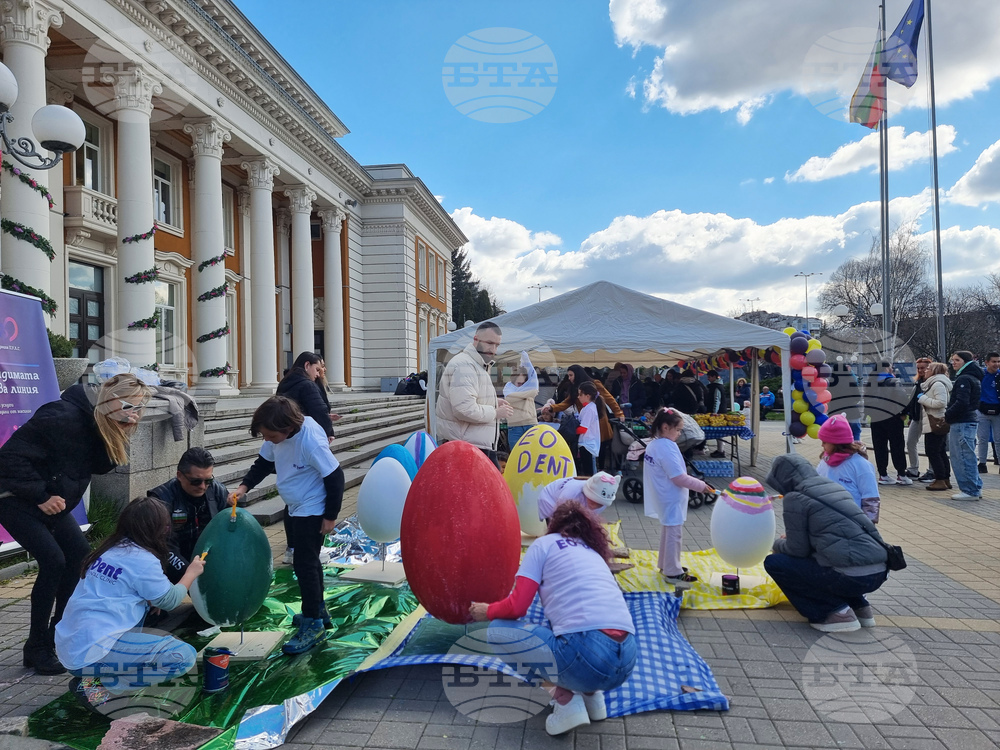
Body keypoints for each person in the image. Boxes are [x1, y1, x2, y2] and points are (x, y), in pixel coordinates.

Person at [0, 373, 151, 675]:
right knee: (54, 561)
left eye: (140, 408)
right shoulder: (62, 416)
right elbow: (7, 460)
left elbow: (96, 463)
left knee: (80, 558)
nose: (135, 414)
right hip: (15, 498)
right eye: (129, 406)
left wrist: (121, 429)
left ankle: (58, 635)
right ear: (110, 401)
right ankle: (37, 646)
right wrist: (41, 495)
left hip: (50, 502)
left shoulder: (98, 421)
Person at [468, 503, 637, 736]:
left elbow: (517, 606)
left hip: (586, 654)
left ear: (552, 525)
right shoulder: (592, 551)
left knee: (497, 632)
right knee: (563, 627)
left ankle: (564, 700)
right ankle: (592, 698)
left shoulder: (543, 545)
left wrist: (486, 611)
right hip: (627, 660)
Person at [54, 497, 204, 712]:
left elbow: (125, 589)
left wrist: (148, 598)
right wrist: (191, 573)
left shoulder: (110, 549)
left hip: (72, 644)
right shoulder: (142, 559)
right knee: (182, 657)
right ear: (157, 529)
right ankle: (102, 687)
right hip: (91, 652)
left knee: (147, 614)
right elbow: (170, 600)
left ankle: (94, 678)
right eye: (166, 526)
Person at [232, 396, 345, 652]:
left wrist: (330, 516)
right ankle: (318, 611)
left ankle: (313, 624)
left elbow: (335, 476)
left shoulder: (310, 441)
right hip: (295, 504)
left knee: (305, 564)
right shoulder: (277, 434)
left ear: (287, 429)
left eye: (270, 436)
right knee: (308, 561)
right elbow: (263, 463)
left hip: (313, 505)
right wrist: (243, 487)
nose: (267, 440)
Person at [763, 453, 890, 633]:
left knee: (776, 563)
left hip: (849, 577)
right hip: (878, 571)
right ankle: (860, 608)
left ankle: (833, 612)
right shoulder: (833, 487)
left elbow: (797, 550)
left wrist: (777, 545)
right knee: (829, 561)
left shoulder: (796, 497)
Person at [277, 352, 338, 564]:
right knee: (310, 495)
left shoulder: (285, 383)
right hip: (306, 442)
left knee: (292, 499)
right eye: (316, 370)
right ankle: (309, 549)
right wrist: (328, 431)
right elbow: (319, 410)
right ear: (306, 365)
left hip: (288, 442)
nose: (317, 374)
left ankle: (292, 547)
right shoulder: (307, 384)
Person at [642, 408, 713, 585]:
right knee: (674, 534)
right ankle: (673, 571)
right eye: (678, 429)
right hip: (670, 496)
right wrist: (701, 486)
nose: (679, 433)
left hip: (664, 495)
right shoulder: (665, 447)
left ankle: (665, 564)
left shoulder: (655, 444)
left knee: (668, 531)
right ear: (665, 427)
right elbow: (678, 477)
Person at [435, 322, 513, 469]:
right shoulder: (465, 365)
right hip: (467, 447)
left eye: (497, 345)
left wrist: (494, 402)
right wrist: (496, 412)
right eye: (489, 343)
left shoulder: (476, 364)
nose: (493, 349)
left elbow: (471, 398)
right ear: (476, 339)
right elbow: (464, 409)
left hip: (472, 443)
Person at [149, 447, 229, 583]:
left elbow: (228, 535)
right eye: (196, 481)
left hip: (204, 557)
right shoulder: (161, 499)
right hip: (168, 563)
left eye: (208, 480)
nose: (203, 487)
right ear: (179, 475)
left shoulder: (218, 492)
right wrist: (190, 574)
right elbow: (162, 546)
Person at [542, 365, 623, 471]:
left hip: (599, 423)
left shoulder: (594, 384)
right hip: (585, 422)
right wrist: (552, 408)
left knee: (600, 449)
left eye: (571, 375)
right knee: (589, 454)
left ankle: (600, 472)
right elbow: (566, 403)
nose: (569, 378)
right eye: (568, 375)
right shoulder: (575, 388)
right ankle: (594, 473)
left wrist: (619, 413)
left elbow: (609, 399)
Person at [815, 415, 880, 522]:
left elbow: (870, 498)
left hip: (852, 522)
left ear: (837, 442)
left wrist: (868, 526)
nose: (822, 445)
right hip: (826, 519)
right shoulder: (824, 462)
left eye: (825, 441)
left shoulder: (861, 465)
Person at [946, 351, 983, 501]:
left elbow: (962, 402)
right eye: (953, 360)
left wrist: (947, 414)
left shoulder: (964, 379)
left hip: (962, 421)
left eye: (957, 360)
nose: (953, 363)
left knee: (961, 456)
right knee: (968, 455)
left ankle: (969, 490)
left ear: (965, 362)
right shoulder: (973, 377)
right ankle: (974, 487)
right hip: (968, 420)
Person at [868, 365, 911, 486]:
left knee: (879, 447)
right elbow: (902, 398)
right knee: (897, 446)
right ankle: (901, 474)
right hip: (892, 417)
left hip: (876, 418)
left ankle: (883, 475)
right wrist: (904, 413)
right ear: (887, 368)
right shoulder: (893, 381)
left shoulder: (871, 382)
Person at [917, 362, 953, 492]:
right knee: (940, 451)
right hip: (935, 421)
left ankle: (940, 479)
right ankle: (945, 478)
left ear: (935, 371)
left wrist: (923, 399)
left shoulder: (937, 384)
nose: (926, 370)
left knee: (933, 451)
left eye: (929, 368)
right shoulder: (934, 383)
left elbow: (941, 403)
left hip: (935, 422)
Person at [536, 472, 620, 521]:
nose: (595, 506)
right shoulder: (571, 493)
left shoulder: (604, 501)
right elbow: (560, 514)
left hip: (572, 505)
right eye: (592, 501)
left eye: (599, 504)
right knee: (558, 526)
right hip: (550, 499)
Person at [503, 352, 540, 450]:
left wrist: (516, 395)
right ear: (513, 381)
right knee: (516, 456)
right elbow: (508, 398)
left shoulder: (528, 386)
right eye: (519, 384)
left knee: (533, 454)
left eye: (524, 384)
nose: (521, 386)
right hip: (514, 427)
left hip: (530, 424)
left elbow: (534, 392)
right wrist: (527, 393)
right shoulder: (508, 386)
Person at [904, 358, 932, 480]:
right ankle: (914, 469)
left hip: (930, 417)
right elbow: (913, 401)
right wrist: (910, 415)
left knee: (931, 445)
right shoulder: (917, 382)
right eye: (919, 368)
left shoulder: (932, 382)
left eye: (923, 368)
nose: (921, 370)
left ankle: (932, 470)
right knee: (910, 442)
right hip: (917, 417)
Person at [977, 352, 1000, 474]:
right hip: (982, 410)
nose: (996, 364)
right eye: (994, 361)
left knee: (998, 438)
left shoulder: (999, 375)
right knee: (982, 438)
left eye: (998, 361)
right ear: (987, 363)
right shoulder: (981, 375)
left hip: (998, 410)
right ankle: (982, 463)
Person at [574, 382, 603, 475]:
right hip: (588, 444)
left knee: (589, 474)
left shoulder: (589, 409)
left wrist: (572, 431)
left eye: (580, 394)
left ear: (587, 396)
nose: (578, 397)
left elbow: (583, 429)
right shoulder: (589, 407)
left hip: (587, 445)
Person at [704, 370, 731, 457]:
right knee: (719, 432)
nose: (708, 378)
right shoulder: (720, 385)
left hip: (718, 413)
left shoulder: (716, 387)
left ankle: (721, 451)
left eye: (709, 377)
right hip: (720, 411)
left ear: (714, 377)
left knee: (719, 431)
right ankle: (720, 450)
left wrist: (714, 412)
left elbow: (717, 400)